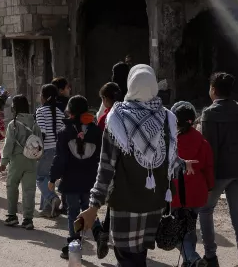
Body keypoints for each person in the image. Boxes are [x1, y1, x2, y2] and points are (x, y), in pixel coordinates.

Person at [76, 64, 190, 267]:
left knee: (128, 260)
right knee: (139, 257)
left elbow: (106, 169)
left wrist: (94, 206)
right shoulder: (167, 118)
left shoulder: (117, 118)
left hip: (125, 208)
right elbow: (169, 160)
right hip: (154, 206)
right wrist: (181, 163)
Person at [199, 72, 238, 267]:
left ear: (213, 90)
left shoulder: (209, 114)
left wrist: (207, 180)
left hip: (220, 173)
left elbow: (208, 150)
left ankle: (211, 256)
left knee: (205, 210)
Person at [50, 95, 103, 260]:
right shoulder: (97, 131)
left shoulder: (65, 132)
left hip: (71, 181)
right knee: (89, 209)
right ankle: (99, 233)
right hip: (91, 180)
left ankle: (74, 245)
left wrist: (53, 178)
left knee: (73, 212)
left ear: (70, 112)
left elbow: (60, 159)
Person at [172, 101, 215, 267]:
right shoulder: (202, 142)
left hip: (176, 194)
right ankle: (189, 261)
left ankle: (193, 259)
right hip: (197, 194)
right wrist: (210, 187)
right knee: (189, 228)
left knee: (174, 232)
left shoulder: (170, 143)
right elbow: (208, 167)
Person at [0, 94, 40, 230]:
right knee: (29, 190)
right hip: (32, 161)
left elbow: (9, 144)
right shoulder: (35, 123)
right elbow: (40, 142)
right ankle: (28, 219)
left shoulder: (14, 124)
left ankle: (12, 216)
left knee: (12, 186)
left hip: (16, 160)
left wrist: (4, 161)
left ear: (14, 108)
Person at [35, 83, 66, 216]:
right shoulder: (60, 112)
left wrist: (37, 149)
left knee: (40, 177)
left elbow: (42, 132)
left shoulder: (40, 111)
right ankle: (48, 209)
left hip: (46, 149)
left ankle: (52, 198)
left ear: (44, 97)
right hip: (58, 150)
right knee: (48, 177)